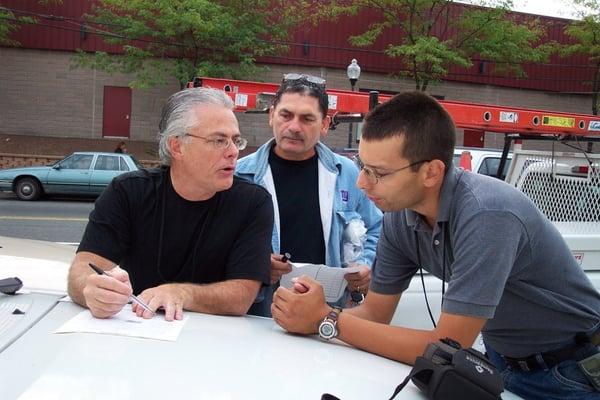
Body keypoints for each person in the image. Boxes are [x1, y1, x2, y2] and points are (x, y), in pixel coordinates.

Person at [272, 91, 600, 400]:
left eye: (378, 173)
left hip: (572, 371)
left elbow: (448, 344)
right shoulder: (399, 217)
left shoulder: (488, 214)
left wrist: (327, 320)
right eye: (362, 166)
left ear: (431, 172)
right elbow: (374, 312)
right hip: (502, 362)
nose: (361, 182)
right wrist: (305, 318)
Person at [68, 87, 273, 321]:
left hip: (215, 343)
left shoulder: (253, 202)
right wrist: (92, 290)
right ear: (177, 146)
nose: (234, 152)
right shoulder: (127, 192)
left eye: (236, 141)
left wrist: (181, 293)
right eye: (219, 140)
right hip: (133, 334)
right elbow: (83, 268)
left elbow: (242, 295)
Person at [236, 74, 382, 316]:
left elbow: (377, 227)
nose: (294, 127)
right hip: (258, 314)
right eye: (286, 115)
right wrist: (257, 264)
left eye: (307, 119)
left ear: (324, 125)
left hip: (325, 314)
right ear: (272, 115)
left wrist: (366, 264)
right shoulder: (241, 176)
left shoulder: (345, 173)